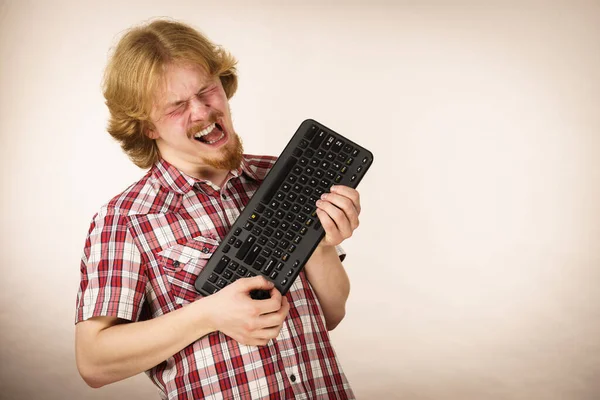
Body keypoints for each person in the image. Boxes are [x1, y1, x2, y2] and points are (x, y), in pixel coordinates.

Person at [75, 18, 362, 400]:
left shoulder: (283, 176)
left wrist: (323, 245)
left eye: (207, 90)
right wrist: (209, 314)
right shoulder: (125, 220)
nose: (202, 111)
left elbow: (331, 314)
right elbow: (93, 361)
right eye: (177, 106)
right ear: (148, 128)